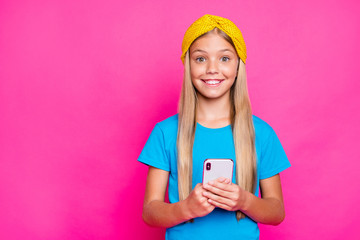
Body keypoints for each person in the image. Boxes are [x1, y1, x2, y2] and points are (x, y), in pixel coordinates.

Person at [137, 14, 291, 239]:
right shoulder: (165, 132)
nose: (212, 68)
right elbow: (150, 212)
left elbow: (276, 212)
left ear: (238, 66)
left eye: (224, 58)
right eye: (200, 59)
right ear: (188, 64)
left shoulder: (262, 134)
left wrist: (244, 200)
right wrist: (186, 208)